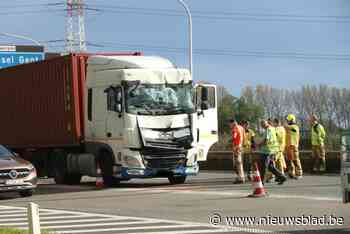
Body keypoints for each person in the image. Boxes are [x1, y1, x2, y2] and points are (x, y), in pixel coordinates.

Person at [257, 120, 287, 185]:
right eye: (261, 125)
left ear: (267, 123)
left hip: (267, 151)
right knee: (271, 167)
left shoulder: (268, 130)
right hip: (272, 151)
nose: (262, 126)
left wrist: (259, 144)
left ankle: (262, 182)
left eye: (263, 124)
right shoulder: (273, 129)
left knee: (263, 166)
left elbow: (266, 139)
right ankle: (282, 177)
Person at [285, 114, 303, 179]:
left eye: (288, 120)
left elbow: (290, 128)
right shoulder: (287, 127)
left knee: (295, 160)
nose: (287, 121)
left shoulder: (295, 127)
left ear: (292, 120)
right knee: (289, 160)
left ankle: (299, 173)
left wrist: (284, 126)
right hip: (288, 146)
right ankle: (291, 173)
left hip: (293, 146)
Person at [229, 119, 245, 184]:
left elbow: (234, 137)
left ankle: (240, 178)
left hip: (236, 147)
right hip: (240, 146)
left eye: (230, 124)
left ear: (233, 123)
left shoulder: (235, 128)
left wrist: (229, 141)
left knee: (237, 163)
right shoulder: (241, 127)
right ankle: (241, 176)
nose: (229, 126)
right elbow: (244, 137)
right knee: (240, 162)